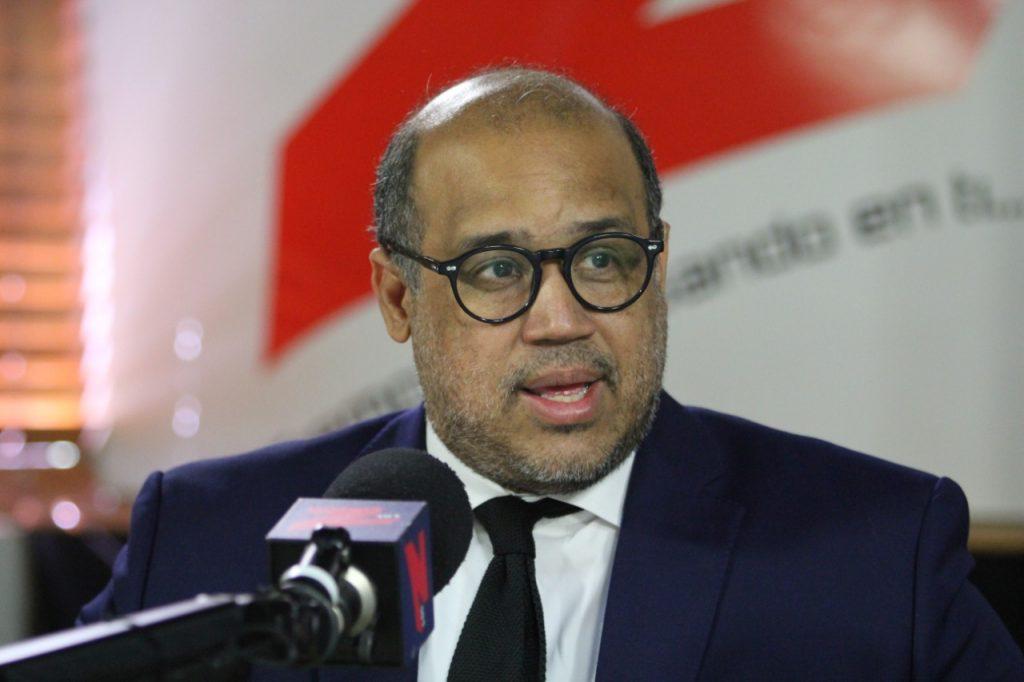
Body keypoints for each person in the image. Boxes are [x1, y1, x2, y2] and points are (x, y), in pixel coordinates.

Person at [80, 68, 1023, 681]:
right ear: (398, 297)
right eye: (496, 270)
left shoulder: (874, 559)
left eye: (604, 259)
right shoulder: (207, 544)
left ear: (658, 265)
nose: (562, 319)